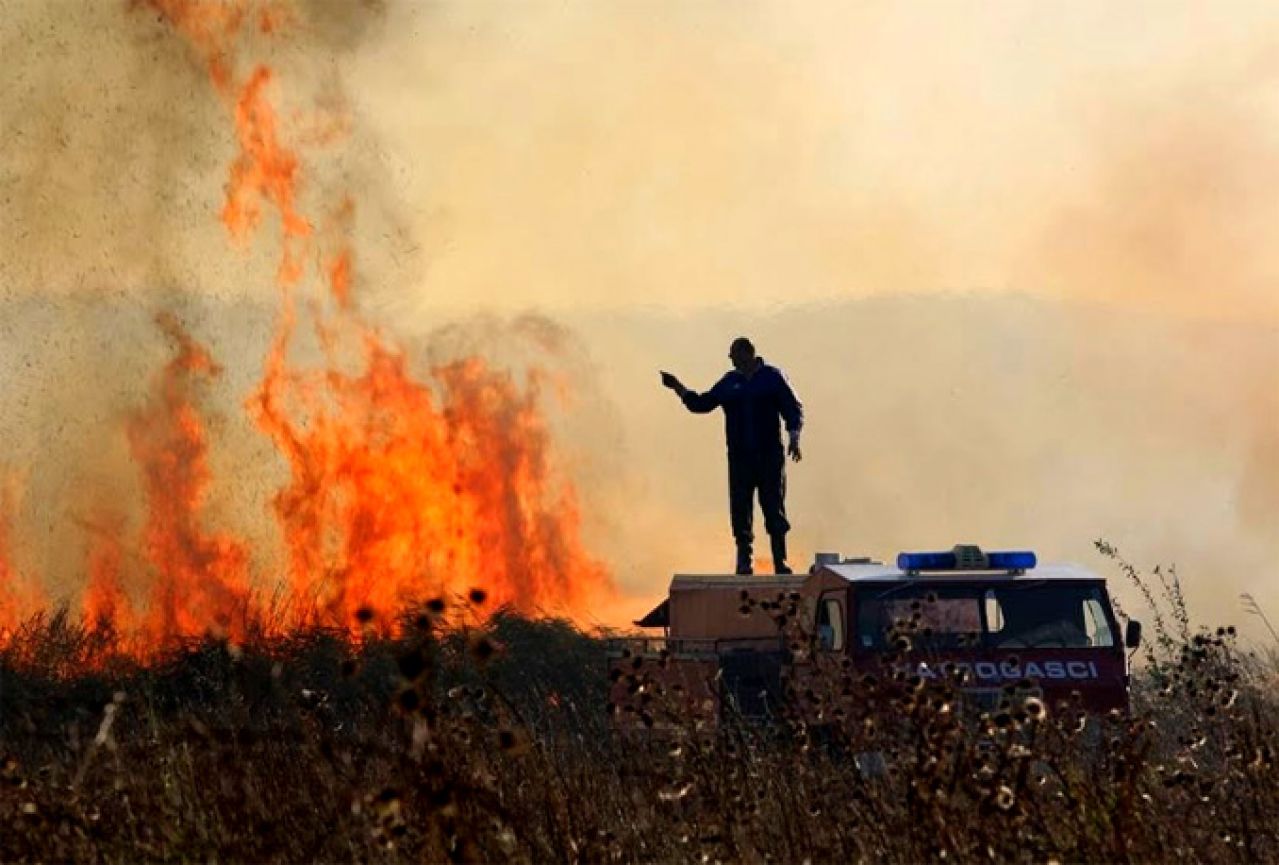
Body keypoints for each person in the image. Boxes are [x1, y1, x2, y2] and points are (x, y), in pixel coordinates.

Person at [661, 337, 803, 575]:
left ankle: (780, 561)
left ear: (747, 353)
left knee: (773, 505)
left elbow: (792, 408)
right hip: (740, 458)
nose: (730, 358)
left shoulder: (772, 377)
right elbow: (702, 404)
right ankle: (744, 561)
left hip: (769, 456)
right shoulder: (730, 383)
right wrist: (678, 387)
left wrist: (794, 437)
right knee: (740, 508)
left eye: (733, 354)